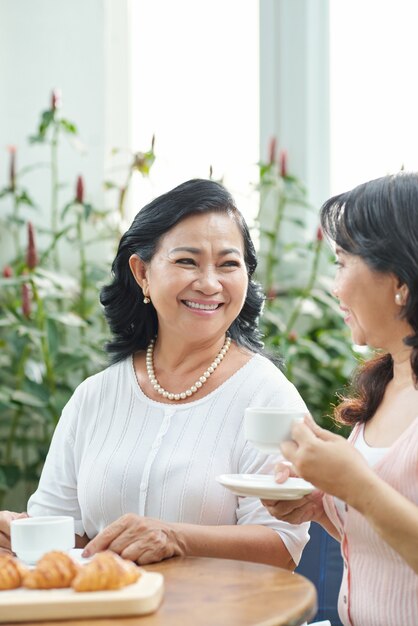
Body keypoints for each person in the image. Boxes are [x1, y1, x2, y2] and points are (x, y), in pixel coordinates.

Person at [0, 178, 309, 568]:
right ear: (142, 272)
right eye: (187, 261)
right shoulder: (95, 397)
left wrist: (175, 537)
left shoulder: (268, 399)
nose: (210, 283)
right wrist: (23, 533)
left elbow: (282, 547)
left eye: (229, 264)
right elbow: (70, 536)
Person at [263, 172, 418, 625]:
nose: (334, 287)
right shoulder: (387, 384)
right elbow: (385, 545)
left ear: (400, 279)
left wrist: (355, 486)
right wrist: (322, 503)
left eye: (342, 262)